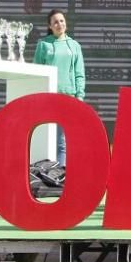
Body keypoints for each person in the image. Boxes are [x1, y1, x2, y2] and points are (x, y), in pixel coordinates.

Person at [32, 9, 85, 167]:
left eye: (61, 20)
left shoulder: (74, 46)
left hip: (68, 98)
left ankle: (60, 177)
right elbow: (37, 71)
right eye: (55, 22)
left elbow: (79, 73)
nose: (59, 24)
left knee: (63, 141)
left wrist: (79, 97)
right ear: (50, 25)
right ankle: (44, 174)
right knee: (47, 138)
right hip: (48, 98)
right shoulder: (43, 44)